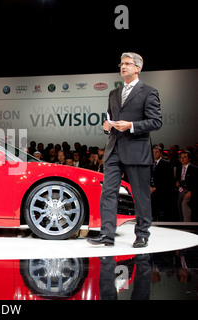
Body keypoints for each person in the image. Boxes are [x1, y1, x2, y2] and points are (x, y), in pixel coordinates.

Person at [88, 52, 162, 248]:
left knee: (140, 195)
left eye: (128, 64)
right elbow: (111, 117)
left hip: (136, 150)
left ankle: (143, 234)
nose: (123, 67)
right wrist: (107, 125)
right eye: (121, 64)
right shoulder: (114, 93)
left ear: (138, 68)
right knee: (108, 193)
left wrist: (131, 125)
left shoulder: (148, 92)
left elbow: (156, 122)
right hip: (114, 150)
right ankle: (107, 234)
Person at [175, 150, 197, 222]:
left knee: (185, 204)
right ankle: (181, 222)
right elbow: (177, 179)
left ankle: (187, 223)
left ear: (189, 158)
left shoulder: (194, 169)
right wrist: (177, 182)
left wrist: (191, 191)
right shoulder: (178, 168)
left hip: (189, 189)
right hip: (180, 189)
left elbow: (195, 183)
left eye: (184, 157)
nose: (182, 159)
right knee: (178, 203)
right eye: (181, 157)